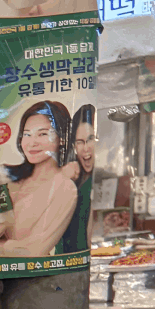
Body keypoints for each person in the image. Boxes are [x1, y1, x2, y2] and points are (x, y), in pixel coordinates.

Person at [0, 100, 78, 256]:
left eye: (42, 134)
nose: (32, 142)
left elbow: (35, 250)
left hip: (34, 276)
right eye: (27, 134)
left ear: (62, 138)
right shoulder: (7, 178)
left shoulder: (65, 188)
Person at [58, 103, 97, 255]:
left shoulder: (100, 180)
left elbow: (90, 238)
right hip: (62, 265)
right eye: (79, 142)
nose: (85, 148)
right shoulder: (70, 176)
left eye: (91, 139)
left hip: (86, 265)